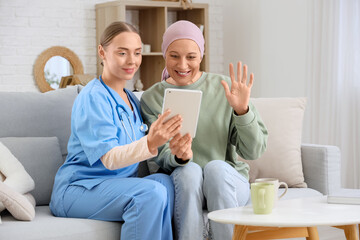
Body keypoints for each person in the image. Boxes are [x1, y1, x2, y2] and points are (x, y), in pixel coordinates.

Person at [49, 21, 182, 240]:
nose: (132, 61)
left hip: (113, 185)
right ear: (102, 51)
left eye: (137, 53)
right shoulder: (93, 98)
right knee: (150, 193)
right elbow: (109, 159)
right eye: (122, 53)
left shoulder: (131, 99)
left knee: (165, 184)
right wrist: (150, 143)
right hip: (79, 189)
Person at [140, 20, 268, 240]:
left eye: (191, 56)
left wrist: (242, 110)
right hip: (185, 186)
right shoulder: (152, 98)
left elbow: (253, 151)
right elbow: (159, 154)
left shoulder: (226, 88)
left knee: (216, 168)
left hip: (227, 184)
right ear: (164, 55)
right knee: (189, 170)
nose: (182, 65)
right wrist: (178, 157)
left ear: (201, 55)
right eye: (174, 56)